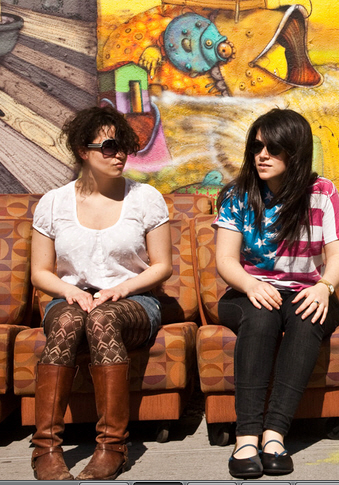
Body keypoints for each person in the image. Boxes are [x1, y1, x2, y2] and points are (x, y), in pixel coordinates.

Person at [30, 106, 172, 481]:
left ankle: (112, 446)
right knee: (67, 320)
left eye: (124, 146)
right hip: (71, 297)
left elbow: (162, 266)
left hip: (134, 301)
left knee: (103, 317)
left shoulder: (145, 198)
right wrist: (69, 292)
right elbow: (40, 272)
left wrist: (122, 287)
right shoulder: (54, 203)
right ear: (83, 149)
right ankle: (45, 448)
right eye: (110, 146)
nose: (120, 154)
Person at [213, 108, 339, 478]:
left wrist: (325, 287)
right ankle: (246, 439)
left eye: (273, 148)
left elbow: (338, 253)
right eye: (257, 147)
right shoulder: (239, 194)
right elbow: (225, 260)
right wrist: (250, 284)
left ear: (295, 151)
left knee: (307, 319)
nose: (262, 155)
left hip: (307, 291)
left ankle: (274, 436)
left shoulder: (322, 194)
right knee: (260, 318)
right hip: (248, 291)